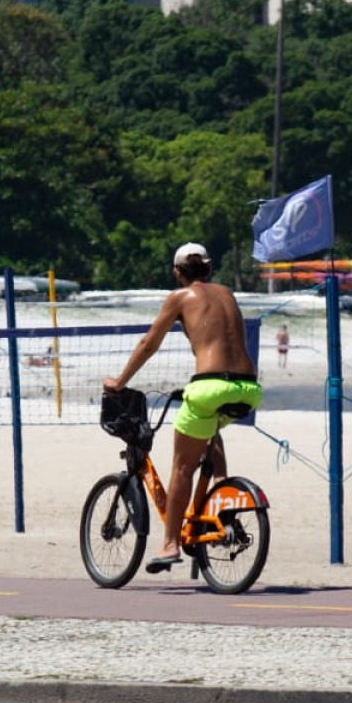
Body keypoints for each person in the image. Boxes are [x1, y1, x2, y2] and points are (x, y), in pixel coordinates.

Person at [103, 243, 260, 572]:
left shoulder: (179, 297)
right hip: (248, 387)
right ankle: (221, 495)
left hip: (209, 387)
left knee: (182, 467)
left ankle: (170, 544)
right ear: (209, 268)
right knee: (210, 431)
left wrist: (119, 382)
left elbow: (149, 344)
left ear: (177, 272)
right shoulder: (228, 294)